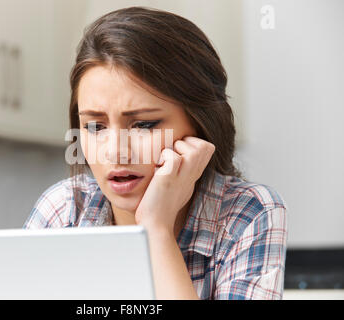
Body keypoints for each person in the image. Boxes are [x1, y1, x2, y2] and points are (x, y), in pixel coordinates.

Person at [23, 6, 287, 300]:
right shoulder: (64, 211)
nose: (116, 153)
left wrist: (155, 229)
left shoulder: (246, 214)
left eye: (144, 124)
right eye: (95, 126)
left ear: (200, 125)